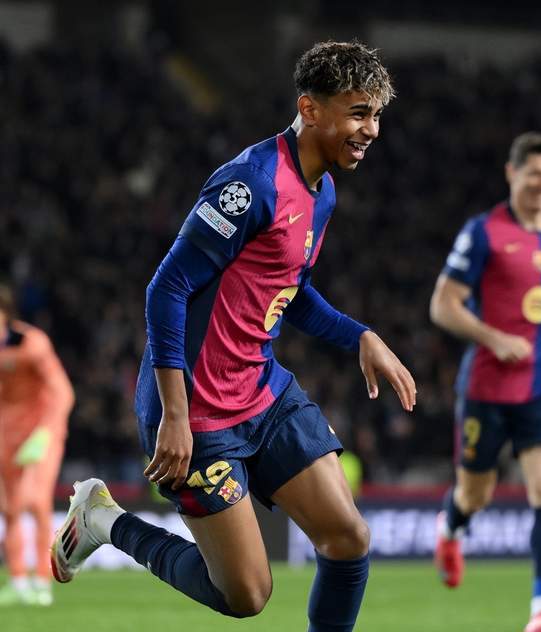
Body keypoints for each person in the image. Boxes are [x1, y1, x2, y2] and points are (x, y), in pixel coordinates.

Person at [51, 41, 416, 630]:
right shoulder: (250, 184)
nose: (371, 129)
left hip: (263, 391)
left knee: (348, 538)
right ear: (311, 108)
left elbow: (289, 290)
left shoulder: (323, 192)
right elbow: (166, 288)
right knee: (246, 595)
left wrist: (360, 336)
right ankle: (103, 520)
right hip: (198, 410)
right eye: (358, 113)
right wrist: (176, 415)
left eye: (375, 115)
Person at [430, 132, 541, 632]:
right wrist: (493, 339)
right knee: (475, 495)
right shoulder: (483, 232)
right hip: (488, 389)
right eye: (535, 174)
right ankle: (451, 527)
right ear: (512, 173)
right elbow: (443, 305)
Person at [0, 284, 74, 606]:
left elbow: (63, 392)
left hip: (41, 435)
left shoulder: (32, 344)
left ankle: (42, 581)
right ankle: (18, 581)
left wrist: (44, 434)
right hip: (5, 434)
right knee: (9, 509)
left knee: (35, 502)